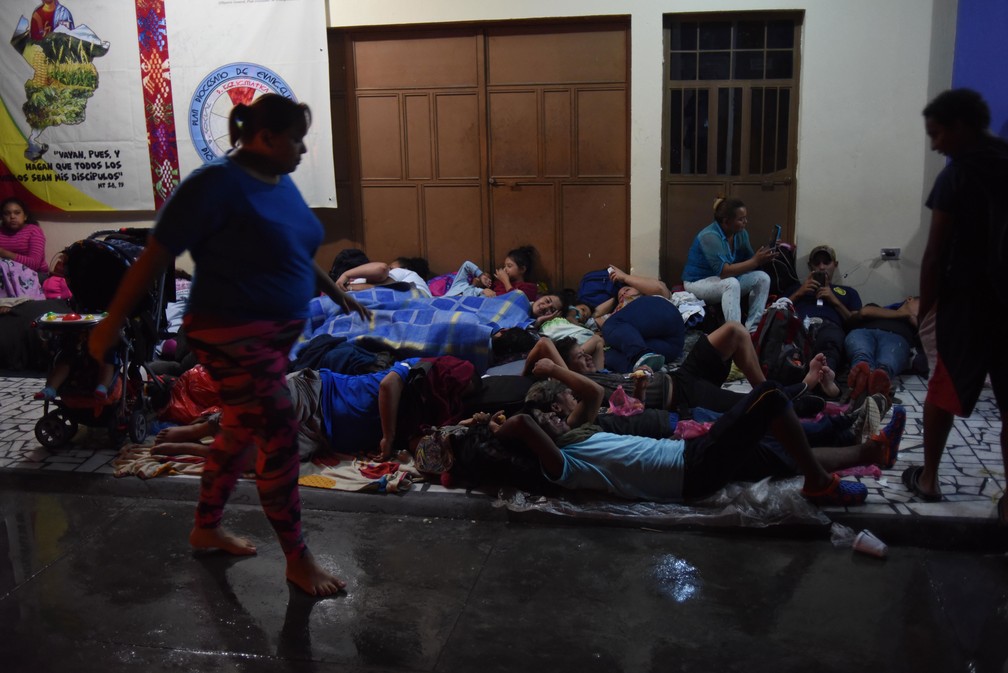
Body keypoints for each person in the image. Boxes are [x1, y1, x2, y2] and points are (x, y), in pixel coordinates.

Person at [88, 94, 370, 596]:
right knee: (279, 430)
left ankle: (206, 524)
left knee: (238, 432)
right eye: (297, 139)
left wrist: (338, 294)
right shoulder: (214, 185)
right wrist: (110, 324)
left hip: (270, 338)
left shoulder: (278, 181)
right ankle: (298, 559)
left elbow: (295, 251)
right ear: (265, 137)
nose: (303, 150)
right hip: (227, 332)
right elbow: (154, 255)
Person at [495, 361, 903, 506]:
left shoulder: (581, 433)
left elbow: (587, 396)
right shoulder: (563, 465)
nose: (553, 420)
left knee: (776, 452)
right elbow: (526, 424)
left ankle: (871, 452)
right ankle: (819, 482)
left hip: (691, 454)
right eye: (549, 421)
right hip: (692, 470)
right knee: (769, 396)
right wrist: (497, 428)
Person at [904, 88, 1008, 520]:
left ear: (960, 125)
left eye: (937, 133)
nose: (935, 144)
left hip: (967, 303)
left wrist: (926, 310)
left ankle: (928, 479)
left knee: (943, 387)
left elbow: (934, 253)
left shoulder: (956, 177)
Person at [682, 197, 774, 333]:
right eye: (741, 219)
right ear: (726, 221)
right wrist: (755, 261)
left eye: (745, 218)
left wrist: (764, 256)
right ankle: (735, 333)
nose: (745, 222)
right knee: (731, 283)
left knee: (762, 278)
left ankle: (752, 329)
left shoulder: (741, 234)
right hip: (698, 282)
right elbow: (724, 272)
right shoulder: (709, 236)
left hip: (721, 280)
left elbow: (749, 262)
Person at [787, 244, 862, 397]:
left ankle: (827, 379)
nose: (821, 267)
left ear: (835, 265)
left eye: (826, 262)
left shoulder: (848, 292)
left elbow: (856, 323)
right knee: (793, 343)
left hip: (829, 327)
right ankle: (802, 379)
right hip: (801, 325)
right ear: (810, 266)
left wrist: (834, 300)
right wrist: (799, 293)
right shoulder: (796, 288)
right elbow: (777, 310)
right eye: (817, 263)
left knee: (830, 341)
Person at [844, 296, 920, 405]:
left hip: (897, 338)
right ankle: (864, 375)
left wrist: (919, 324)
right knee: (861, 353)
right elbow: (865, 312)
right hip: (864, 332)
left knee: (887, 361)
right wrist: (906, 315)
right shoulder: (878, 308)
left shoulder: (916, 325)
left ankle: (873, 381)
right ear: (909, 299)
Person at [335, 256, 433, 297]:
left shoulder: (406, 273)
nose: (389, 271)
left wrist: (346, 275)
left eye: (391, 268)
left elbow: (381, 269)